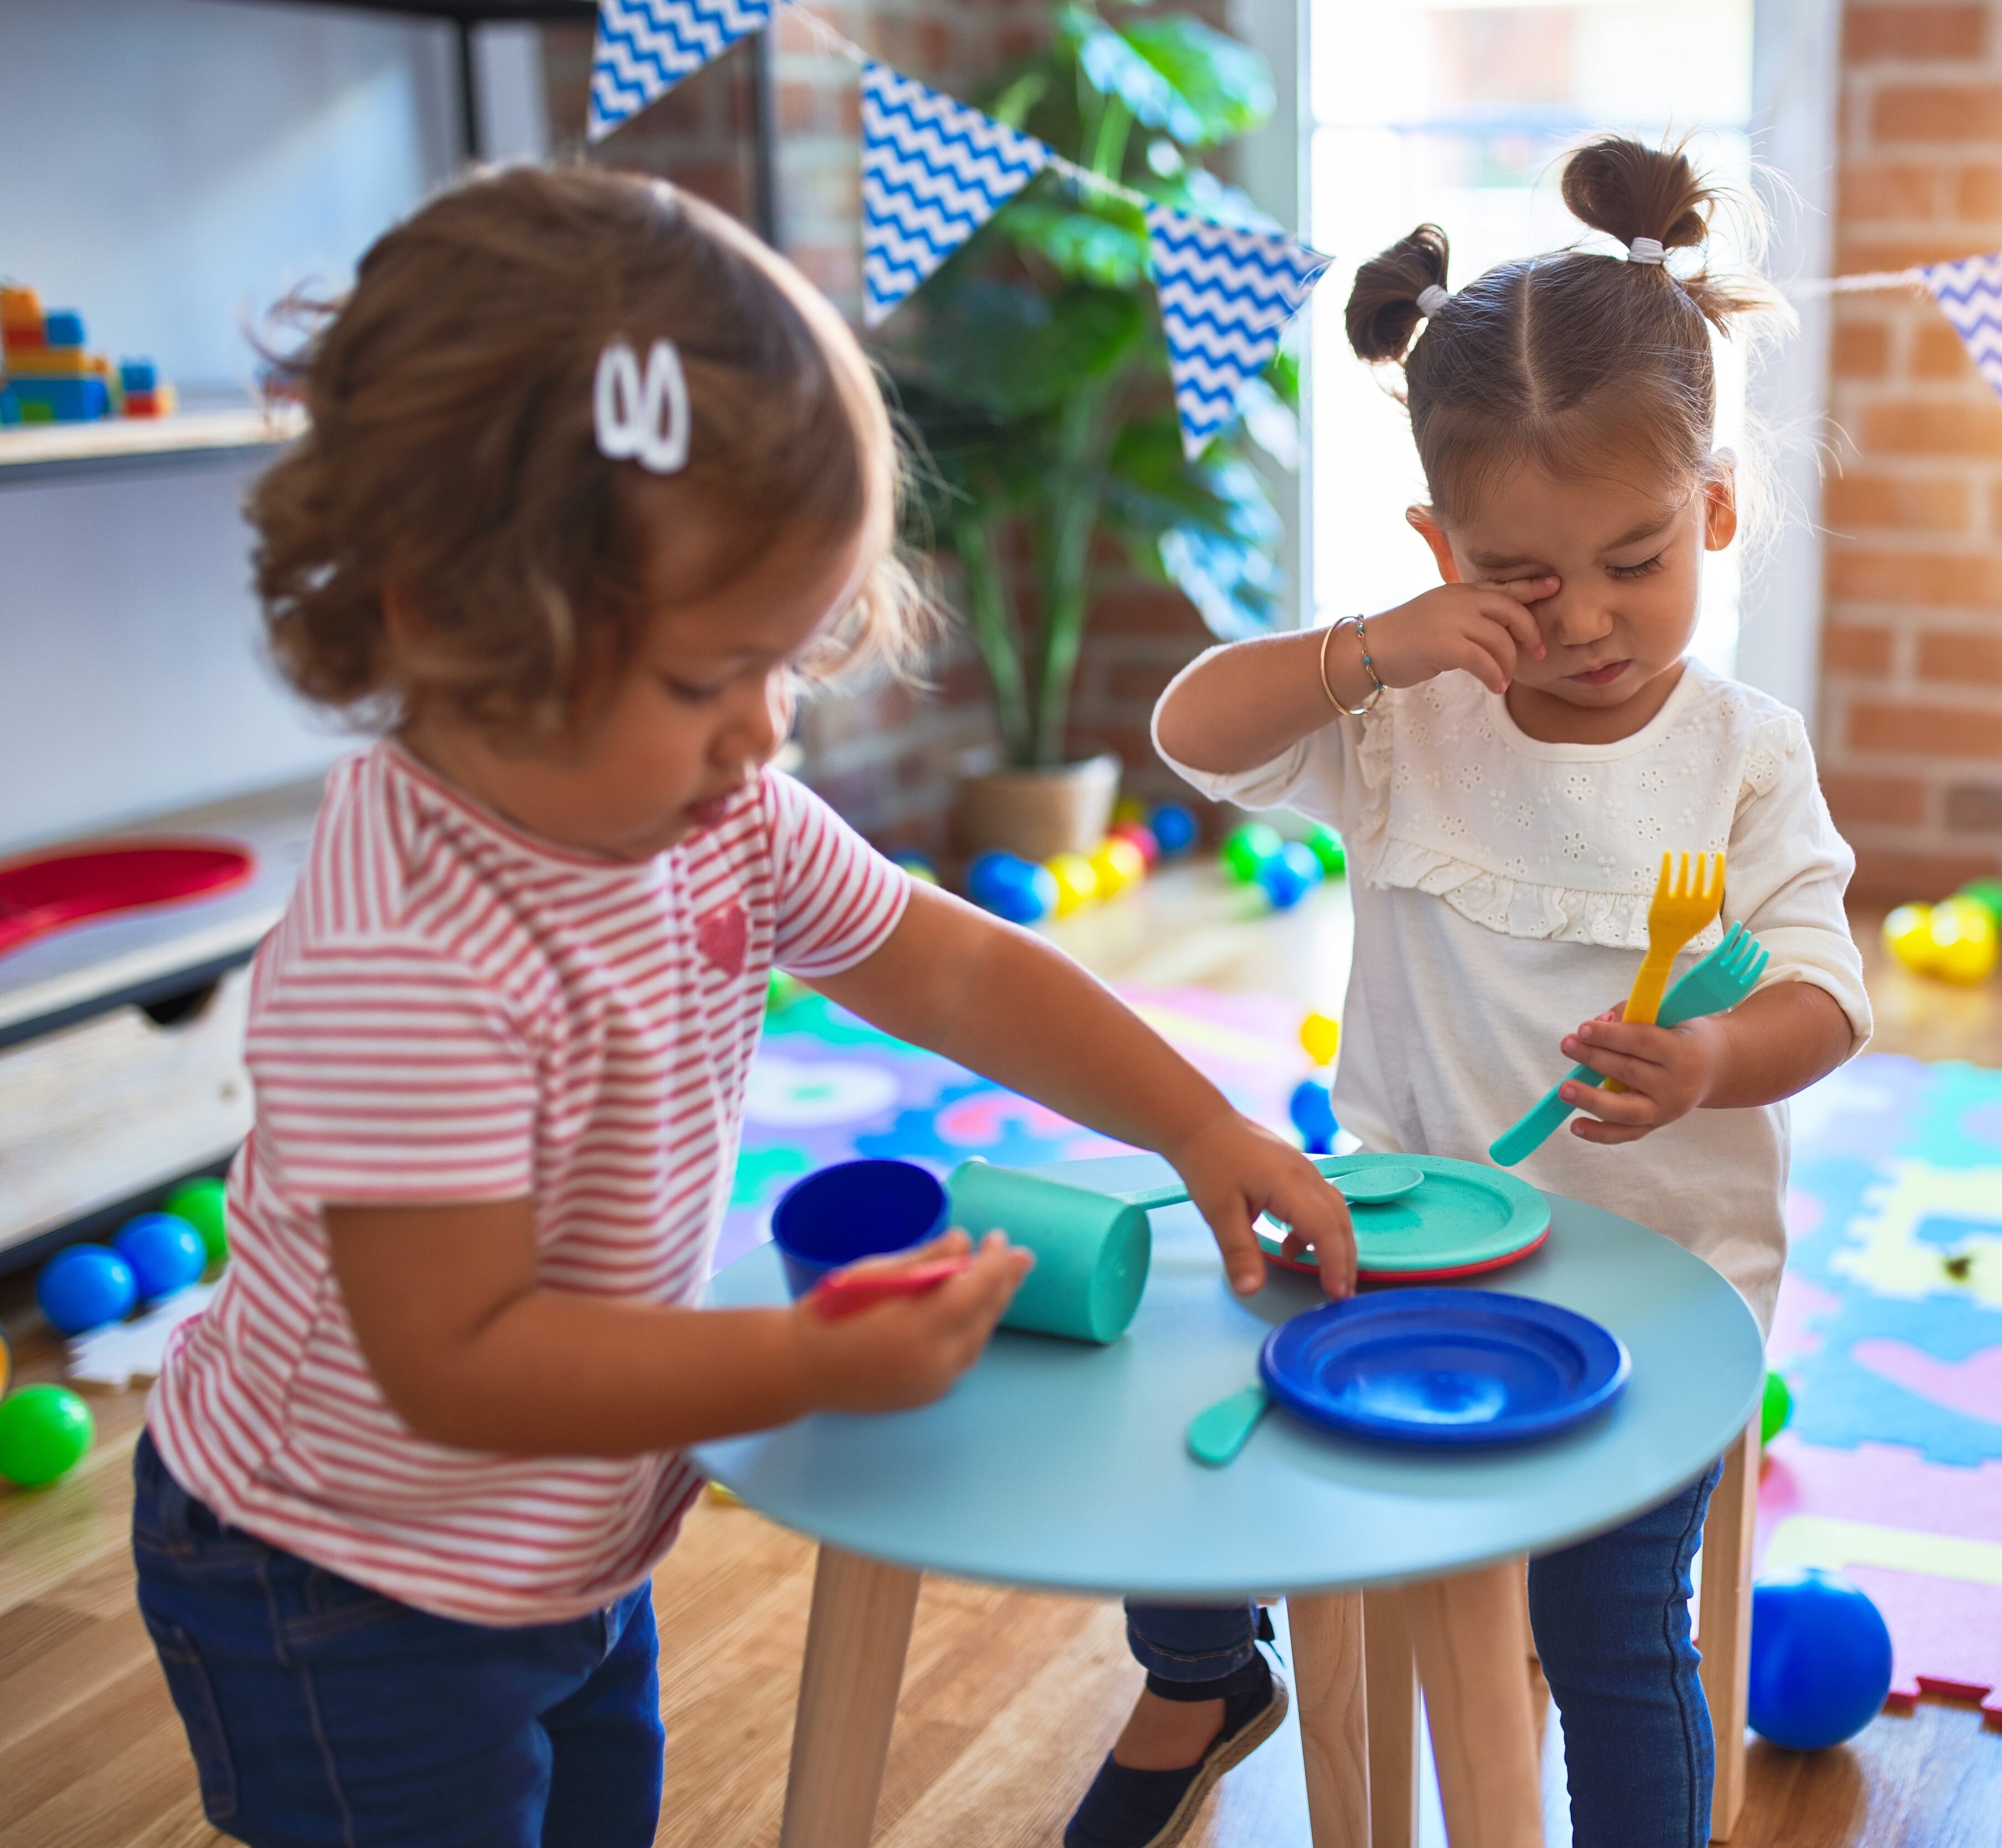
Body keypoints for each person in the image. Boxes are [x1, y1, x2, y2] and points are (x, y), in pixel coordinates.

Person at [132, 164, 1353, 1848]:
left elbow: (954, 961)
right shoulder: (405, 955)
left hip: (571, 1538)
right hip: (348, 1589)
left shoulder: (718, 815)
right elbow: (457, 1360)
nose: (768, 731)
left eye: (786, 662)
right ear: (449, 615)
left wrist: (1199, 1123)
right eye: (713, 677)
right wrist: (792, 1362)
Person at [1066, 137, 1871, 1848]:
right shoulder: (1402, 718)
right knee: (1183, 1421)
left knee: (1608, 1634)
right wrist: (1376, 644)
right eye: (1519, 574)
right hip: (1404, 1236)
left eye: (1637, 560)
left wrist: (1714, 1055)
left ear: (1717, 512)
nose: (1581, 618)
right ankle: (1206, 1668)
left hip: (1652, 1290)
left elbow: (1824, 996)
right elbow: (1189, 735)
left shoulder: (1741, 755)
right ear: (1443, 545)